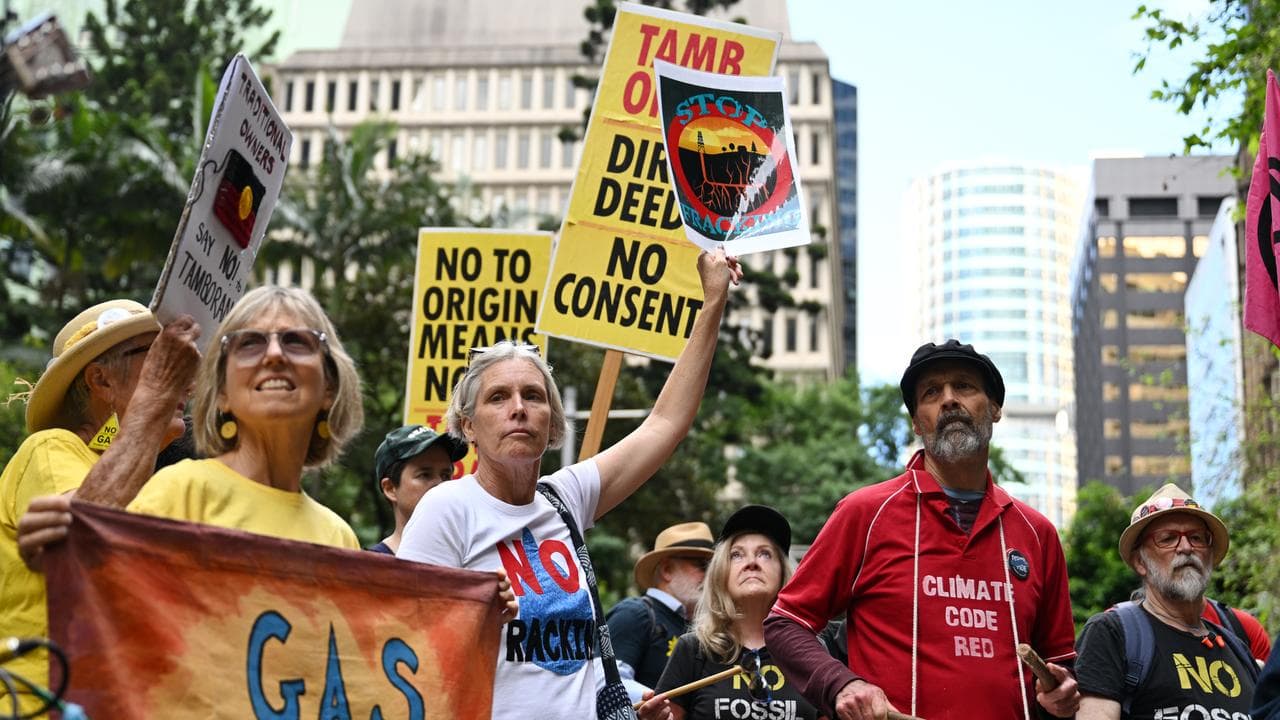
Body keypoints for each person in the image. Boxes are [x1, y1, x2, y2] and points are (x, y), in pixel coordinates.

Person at [396, 248, 740, 719]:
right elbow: (403, 648)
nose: (518, 407)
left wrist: (713, 301)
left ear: (553, 426)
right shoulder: (446, 509)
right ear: (468, 426)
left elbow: (666, 423)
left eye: (533, 396)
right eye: (498, 397)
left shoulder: (565, 497)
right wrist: (468, 617)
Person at [763, 339, 1080, 720]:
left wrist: (1060, 692)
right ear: (917, 422)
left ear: (994, 409)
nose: (949, 400)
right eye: (932, 392)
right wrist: (841, 683)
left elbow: (1060, 662)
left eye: (964, 386)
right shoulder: (865, 513)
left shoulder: (1037, 533)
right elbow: (786, 623)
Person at [1, 300, 199, 711]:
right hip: (44, 705)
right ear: (102, 382)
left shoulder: (153, 488)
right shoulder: (52, 447)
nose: (187, 382)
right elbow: (82, 532)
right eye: (162, 359)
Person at [1075, 483, 1260, 720]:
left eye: (1196, 538)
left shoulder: (1238, 648)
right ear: (1140, 562)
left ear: (1210, 556)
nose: (1185, 548)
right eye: (1168, 538)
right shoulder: (1111, 634)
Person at [639, 505, 823, 720]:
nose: (752, 563)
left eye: (765, 554)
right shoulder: (694, 649)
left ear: (783, 571)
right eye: (736, 555)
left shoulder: (812, 652)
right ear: (721, 574)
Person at [607, 521, 715, 698]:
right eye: (702, 565)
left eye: (714, 567)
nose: (711, 576)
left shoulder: (701, 626)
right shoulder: (634, 613)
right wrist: (665, 707)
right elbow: (608, 682)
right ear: (667, 570)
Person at [368, 424, 468, 554]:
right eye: (425, 475)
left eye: (445, 476)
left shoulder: (470, 558)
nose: (440, 485)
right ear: (390, 488)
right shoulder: (369, 567)